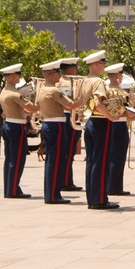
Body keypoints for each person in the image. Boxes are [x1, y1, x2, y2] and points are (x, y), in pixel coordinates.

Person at [77, 50, 122, 210]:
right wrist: (111, 116)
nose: (104, 66)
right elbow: (98, 103)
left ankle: (93, 197)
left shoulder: (84, 81)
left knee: (92, 162)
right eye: (102, 64)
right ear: (96, 65)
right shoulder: (98, 82)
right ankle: (99, 199)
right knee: (101, 162)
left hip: (90, 122)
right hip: (100, 122)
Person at [37, 60, 78, 204]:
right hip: (56, 125)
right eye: (57, 73)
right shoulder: (53, 90)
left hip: (48, 124)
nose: (59, 76)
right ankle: (53, 195)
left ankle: (51, 193)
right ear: (51, 74)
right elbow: (71, 105)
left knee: (51, 161)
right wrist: (85, 98)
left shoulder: (42, 88)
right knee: (57, 161)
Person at [0, 63, 37, 198]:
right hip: (17, 127)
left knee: (10, 158)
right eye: (17, 75)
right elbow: (33, 108)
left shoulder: (4, 92)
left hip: (8, 124)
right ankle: (13, 190)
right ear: (10, 77)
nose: (19, 77)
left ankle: (10, 188)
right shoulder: (15, 94)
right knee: (17, 159)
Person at [104, 63, 135, 196]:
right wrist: (130, 113)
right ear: (116, 77)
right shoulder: (117, 92)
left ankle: (112, 185)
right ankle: (114, 186)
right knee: (117, 157)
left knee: (113, 156)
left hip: (113, 124)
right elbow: (118, 110)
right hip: (118, 124)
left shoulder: (109, 90)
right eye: (120, 75)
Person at [58, 57, 83, 193]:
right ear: (70, 69)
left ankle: (66, 180)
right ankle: (66, 181)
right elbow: (70, 102)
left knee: (67, 150)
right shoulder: (70, 82)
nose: (76, 70)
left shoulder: (59, 82)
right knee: (69, 150)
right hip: (70, 115)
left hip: (66, 116)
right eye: (74, 68)